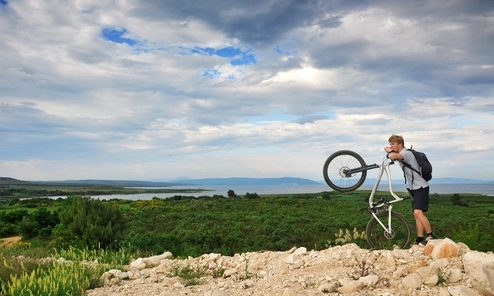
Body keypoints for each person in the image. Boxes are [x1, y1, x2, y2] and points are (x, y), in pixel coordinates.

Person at [384, 134, 434, 246]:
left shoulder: (406, 153)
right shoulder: (400, 152)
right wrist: (390, 149)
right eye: (390, 143)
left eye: (393, 144)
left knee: (418, 212)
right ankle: (420, 238)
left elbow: (392, 156)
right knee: (416, 214)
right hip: (414, 188)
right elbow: (386, 149)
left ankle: (430, 235)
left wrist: (390, 153)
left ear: (400, 144)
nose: (391, 146)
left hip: (421, 186)